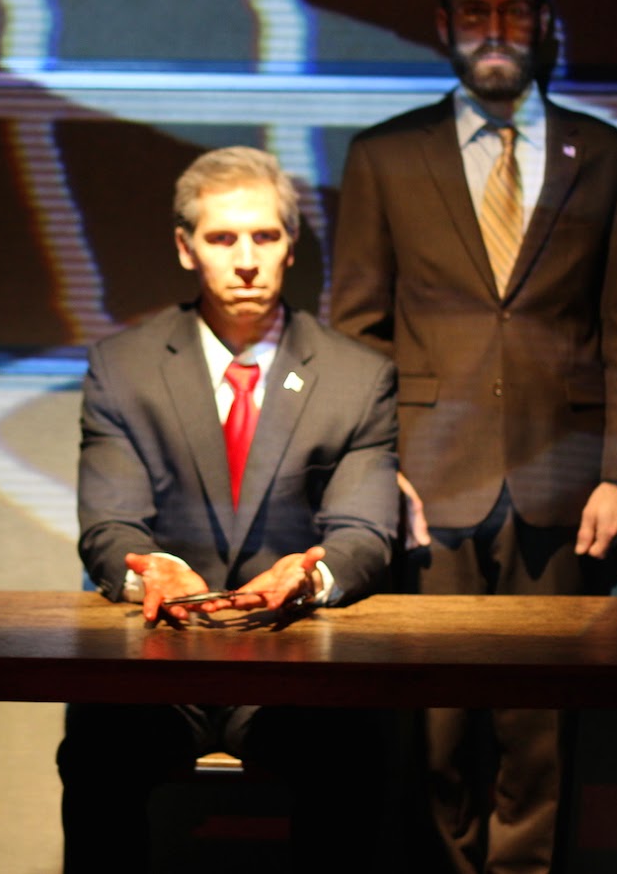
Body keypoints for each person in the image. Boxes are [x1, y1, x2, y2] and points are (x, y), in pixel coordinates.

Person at [330, 0, 617, 873]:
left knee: (539, 729)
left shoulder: (611, 159)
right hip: (426, 486)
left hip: (565, 487)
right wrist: (374, 469)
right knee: (435, 731)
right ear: (445, 27)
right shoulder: (385, 157)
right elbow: (356, 331)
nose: (495, 29)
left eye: (515, 11)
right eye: (475, 11)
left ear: (545, 25)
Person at [59, 146, 401, 871]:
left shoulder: (359, 376)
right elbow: (110, 524)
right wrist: (153, 569)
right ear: (186, 248)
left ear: (291, 244)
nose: (246, 261)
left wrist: (309, 578)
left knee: (352, 755)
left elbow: (365, 531)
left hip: (294, 661)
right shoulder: (123, 367)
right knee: (96, 752)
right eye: (222, 238)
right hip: (162, 660)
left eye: (264, 236)